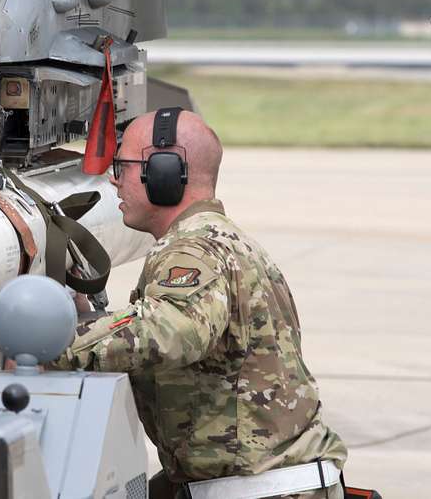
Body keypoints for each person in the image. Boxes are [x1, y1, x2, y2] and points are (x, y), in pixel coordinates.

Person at [51, 108, 347, 499]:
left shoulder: (195, 249)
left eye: (122, 166)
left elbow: (170, 330)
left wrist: (55, 344)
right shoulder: (219, 240)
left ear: (165, 174)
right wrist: (94, 319)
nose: (113, 179)